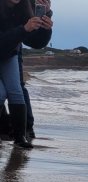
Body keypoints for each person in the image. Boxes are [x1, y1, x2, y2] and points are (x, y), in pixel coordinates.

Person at [0, 0, 50, 148]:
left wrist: (46, 24)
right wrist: (24, 29)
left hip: (9, 54)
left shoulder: (23, 7)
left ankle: (20, 137)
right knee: (1, 93)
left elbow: (36, 42)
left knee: (16, 90)